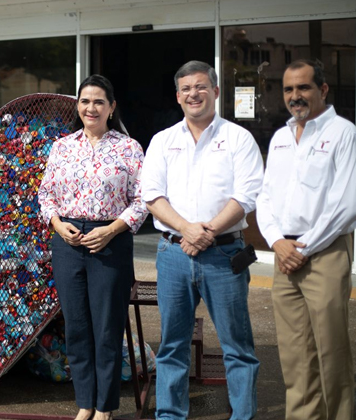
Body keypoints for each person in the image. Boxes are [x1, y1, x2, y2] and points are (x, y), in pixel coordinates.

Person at [140, 60, 263, 419]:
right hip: (173, 254)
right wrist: (187, 229)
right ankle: (169, 415)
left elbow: (247, 195)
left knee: (237, 347)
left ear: (216, 91)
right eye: (186, 89)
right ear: (178, 96)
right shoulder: (163, 140)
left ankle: (242, 415)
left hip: (224, 255)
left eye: (200, 87)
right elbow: (151, 195)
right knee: (172, 345)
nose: (194, 94)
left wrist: (205, 232)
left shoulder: (238, 138)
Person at [38, 74, 148, 420]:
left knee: (106, 327)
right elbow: (45, 195)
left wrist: (111, 230)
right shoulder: (62, 147)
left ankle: (105, 408)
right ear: (78, 106)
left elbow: (143, 200)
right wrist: (58, 225)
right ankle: (85, 403)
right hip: (68, 243)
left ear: (111, 108)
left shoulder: (129, 148)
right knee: (77, 327)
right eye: (85, 101)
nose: (91, 108)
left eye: (99, 101)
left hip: (110, 241)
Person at [256, 59, 356, 420]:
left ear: (322, 89)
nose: (294, 96)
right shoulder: (281, 138)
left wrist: (304, 248)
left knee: (331, 351)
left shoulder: (343, 133)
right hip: (284, 254)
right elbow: (265, 196)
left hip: (325, 253)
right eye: (288, 89)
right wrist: (276, 242)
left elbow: (346, 203)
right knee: (295, 355)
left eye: (303, 87)